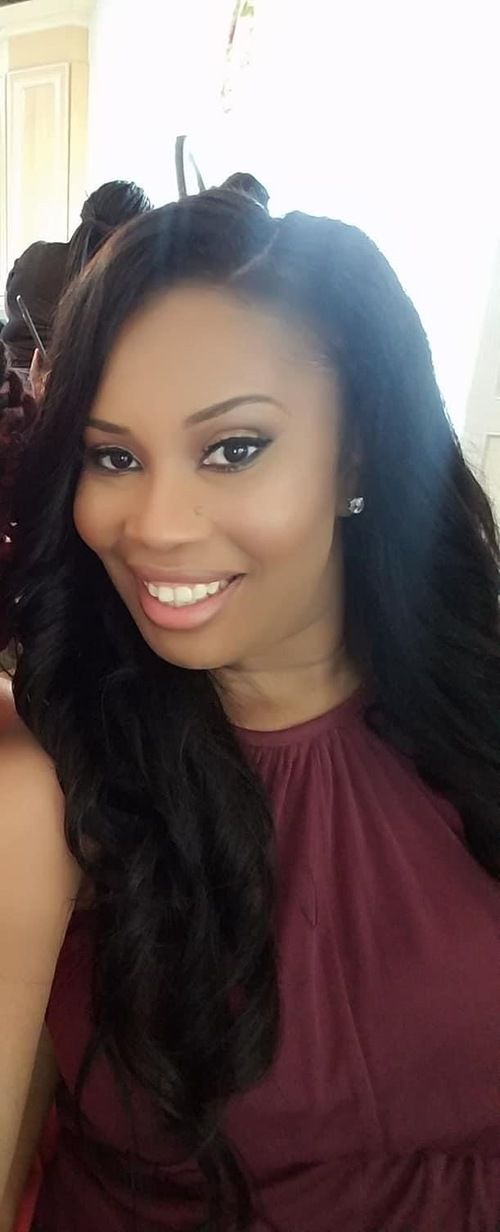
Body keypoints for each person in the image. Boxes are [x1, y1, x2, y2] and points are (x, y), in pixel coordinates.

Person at [1, 193, 500, 1232]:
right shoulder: (52, 780)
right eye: (113, 456)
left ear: (355, 451)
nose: (155, 526)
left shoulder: (472, 704)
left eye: (232, 448)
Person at [2, 180, 151, 373]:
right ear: (137, 233)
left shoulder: (35, 255)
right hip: (61, 386)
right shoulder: (127, 282)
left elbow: (10, 307)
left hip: (9, 374)